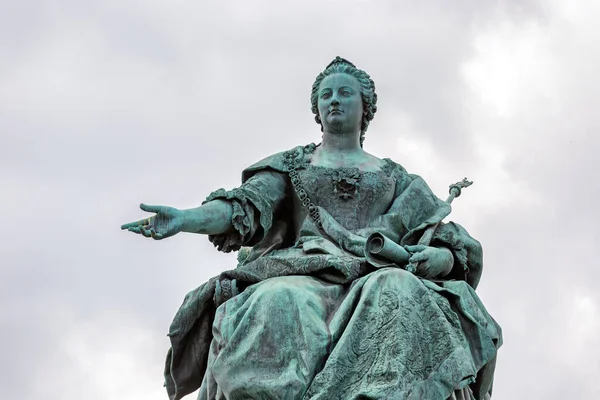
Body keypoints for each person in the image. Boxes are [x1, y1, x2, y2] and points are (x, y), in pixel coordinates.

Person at [122, 57, 502, 400]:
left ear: (365, 107)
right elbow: (244, 207)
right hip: (302, 269)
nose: (334, 100)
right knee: (281, 300)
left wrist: (437, 257)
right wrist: (185, 219)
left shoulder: (396, 178)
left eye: (345, 93)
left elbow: (443, 239)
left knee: (398, 289)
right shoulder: (292, 166)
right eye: (326, 95)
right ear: (317, 110)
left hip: (376, 272)